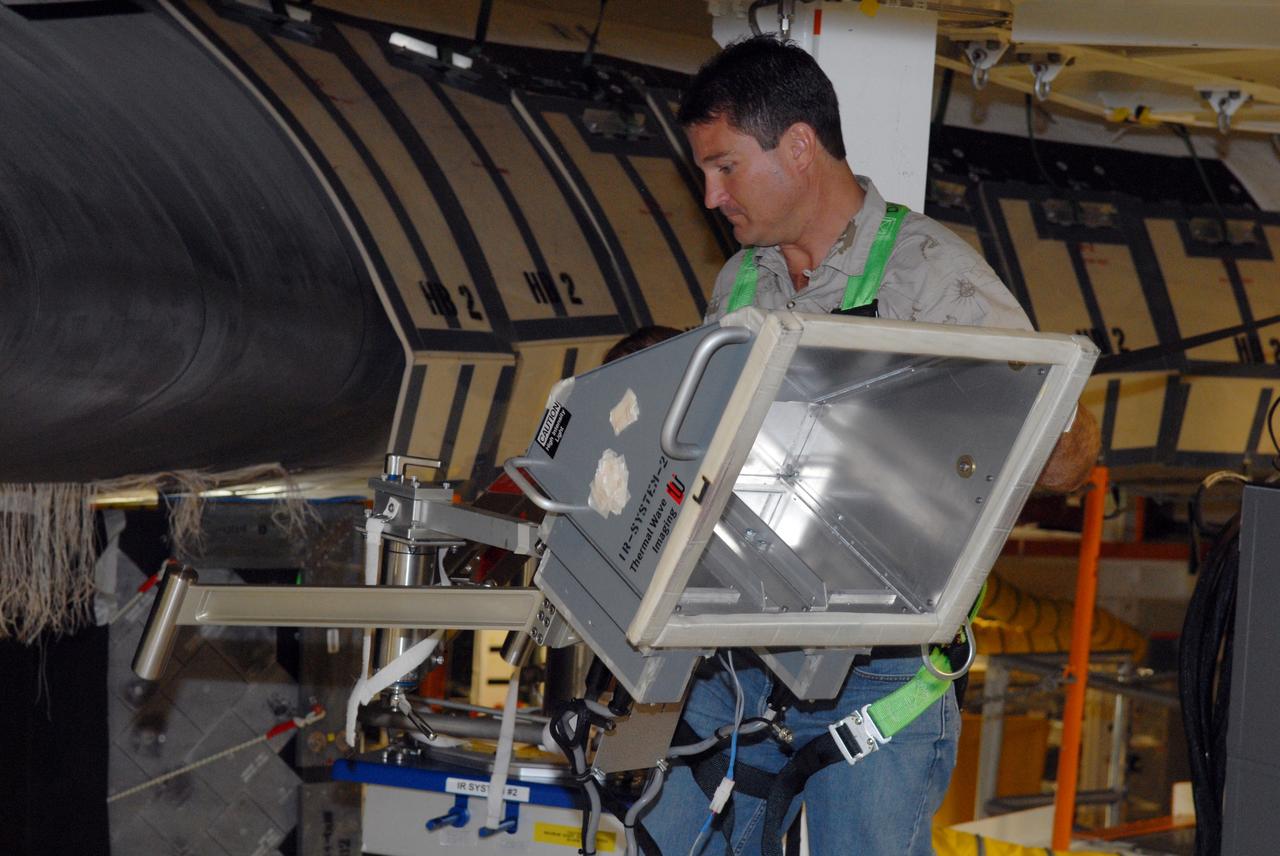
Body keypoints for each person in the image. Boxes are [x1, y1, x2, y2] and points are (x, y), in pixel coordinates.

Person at [638, 36, 1099, 855]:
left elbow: (1068, 453)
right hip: (735, 661)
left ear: (800, 146)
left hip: (877, 675)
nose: (709, 196)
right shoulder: (740, 282)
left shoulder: (935, 281)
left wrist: (967, 441)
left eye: (724, 167)